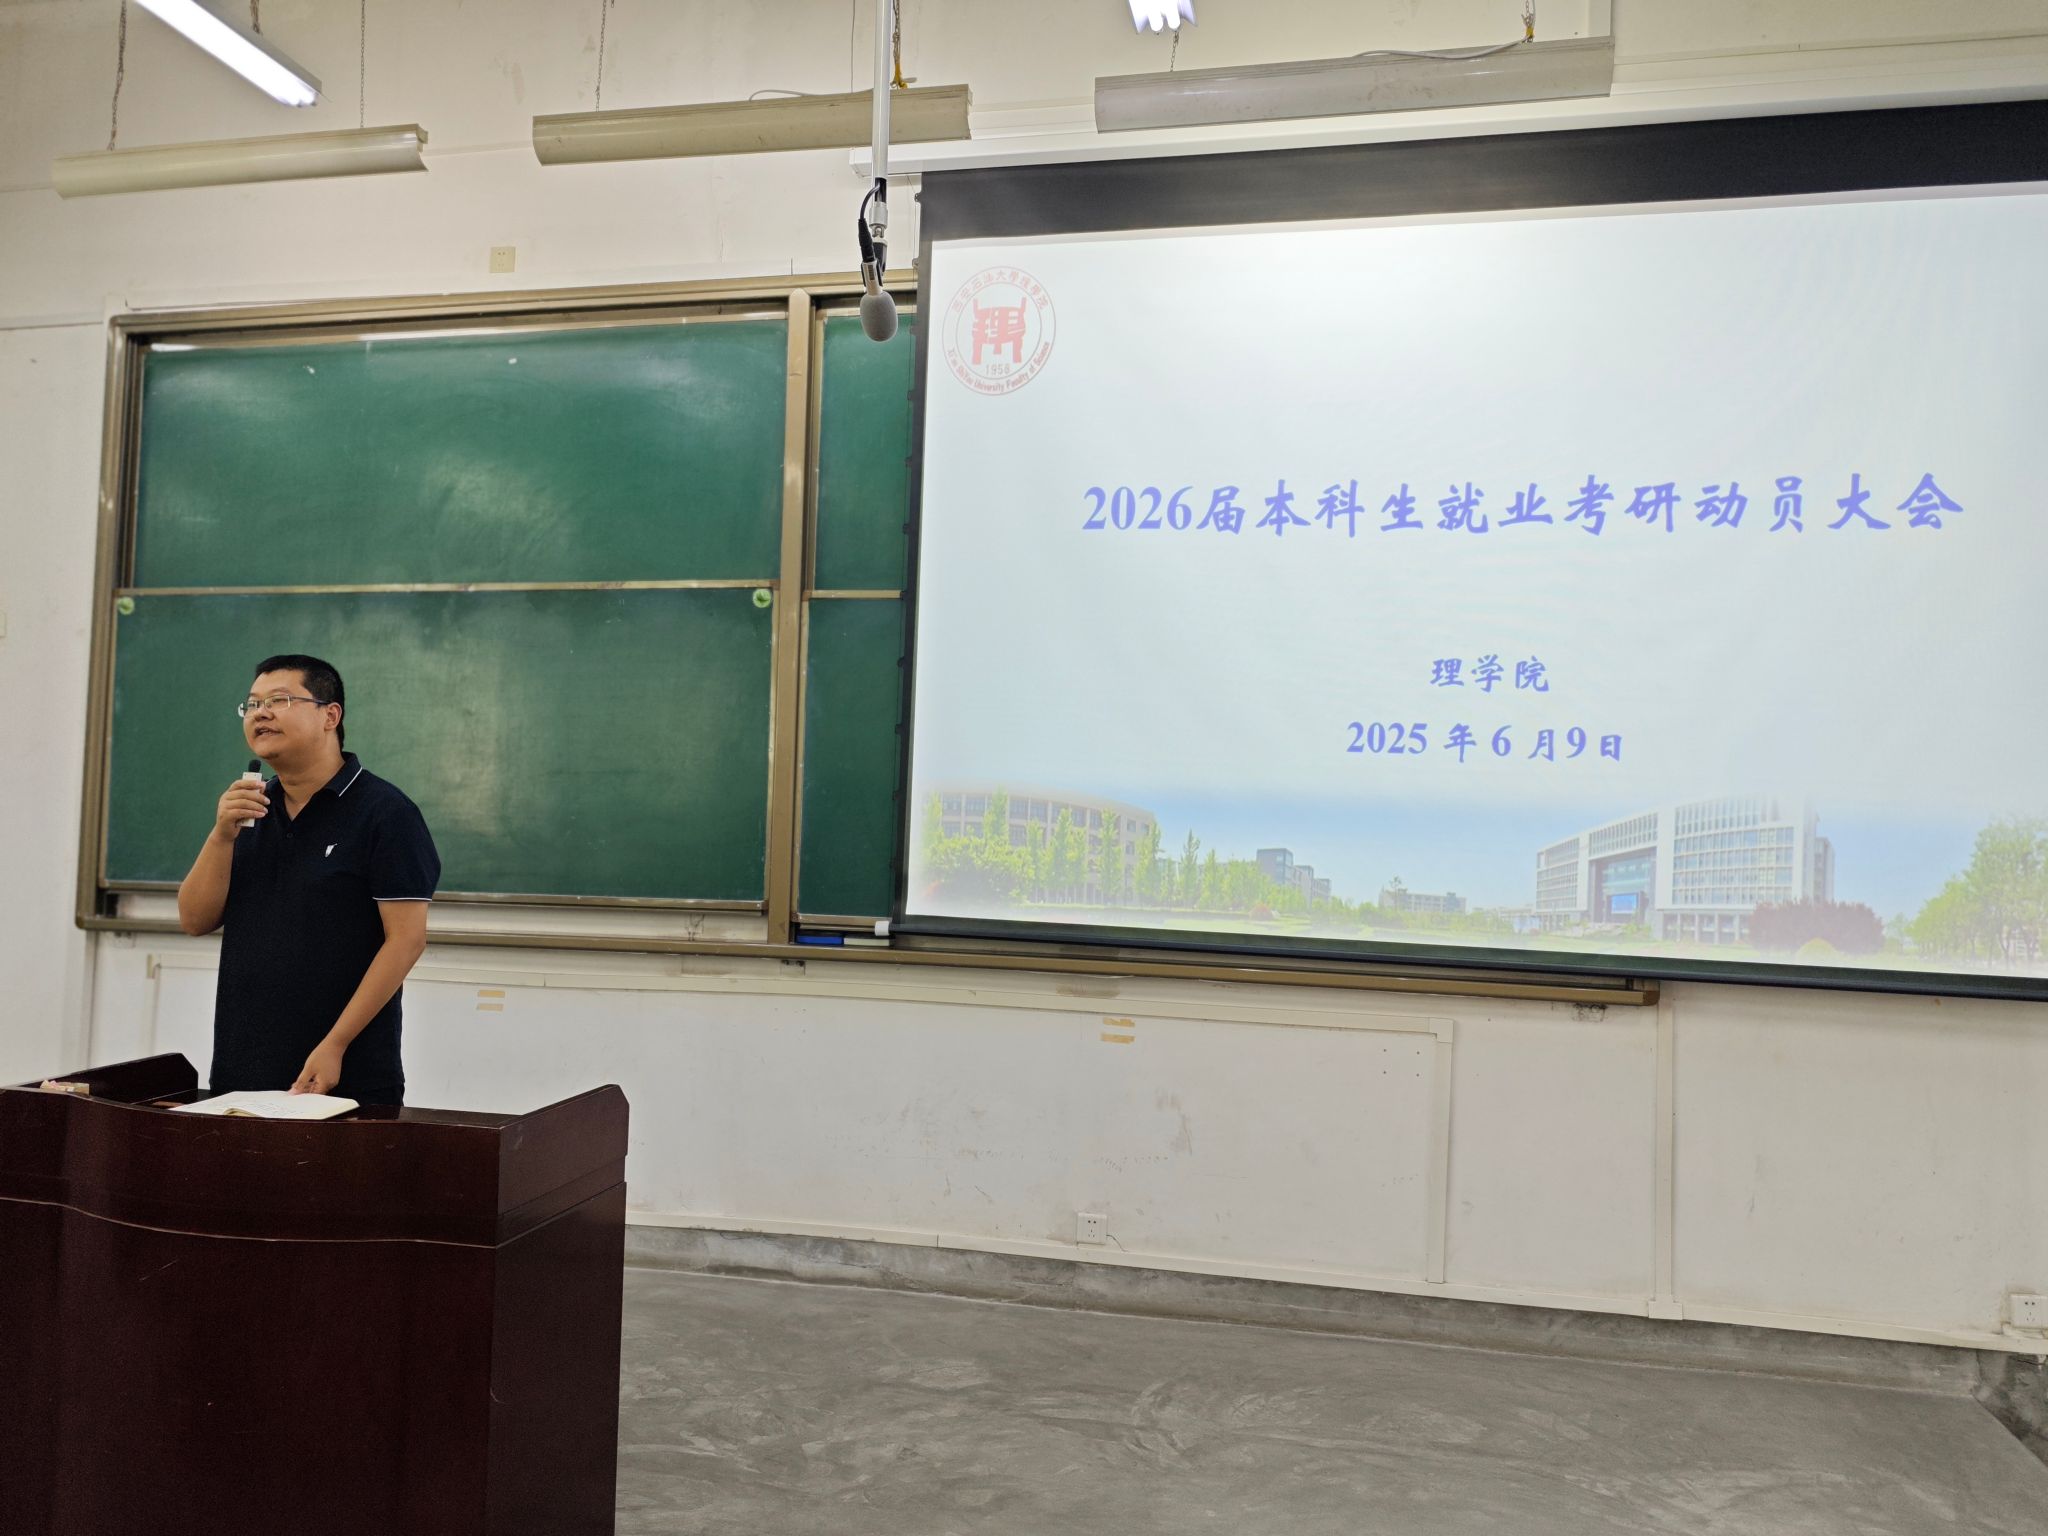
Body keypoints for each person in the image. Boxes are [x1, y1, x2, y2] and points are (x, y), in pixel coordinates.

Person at [175, 654, 439, 1104]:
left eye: (279, 700)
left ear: (330, 716)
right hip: (242, 1066)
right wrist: (221, 835)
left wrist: (336, 1044)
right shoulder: (249, 808)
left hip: (344, 1070)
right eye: (252, 704)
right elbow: (194, 919)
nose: (260, 713)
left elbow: (406, 941)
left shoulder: (385, 813)